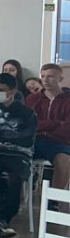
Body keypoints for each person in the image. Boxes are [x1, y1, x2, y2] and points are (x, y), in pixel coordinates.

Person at [0, 73, 37, 238]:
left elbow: (25, 139)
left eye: (0, 90)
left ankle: (2, 222)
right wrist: (8, 135)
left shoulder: (27, 114)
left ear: (12, 92)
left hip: (19, 154)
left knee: (13, 179)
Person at [26, 64, 70, 194]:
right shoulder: (32, 99)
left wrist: (44, 126)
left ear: (60, 79)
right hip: (34, 141)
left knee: (63, 160)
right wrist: (56, 123)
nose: (45, 80)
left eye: (50, 76)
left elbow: (68, 128)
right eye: (43, 76)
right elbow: (30, 124)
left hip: (58, 142)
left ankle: (55, 202)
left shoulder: (68, 100)